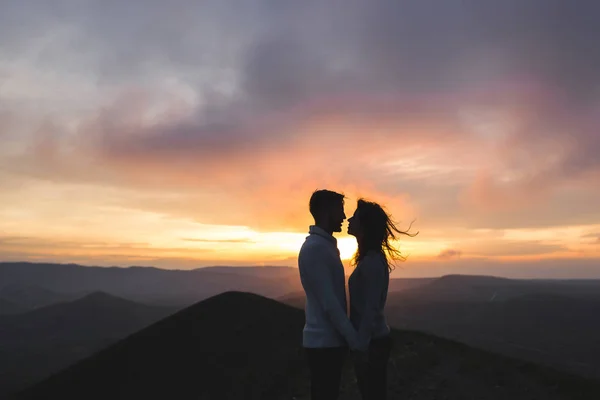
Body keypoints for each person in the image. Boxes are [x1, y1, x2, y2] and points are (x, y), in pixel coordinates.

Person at [347, 199, 418, 400]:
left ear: (365, 225)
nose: (349, 220)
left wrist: (360, 346)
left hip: (372, 343)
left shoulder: (372, 262)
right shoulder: (371, 259)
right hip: (373, 341)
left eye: (355, 217)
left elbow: (370, 309)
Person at [298, 189, 362, 400]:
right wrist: (354, 341)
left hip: (327, 342)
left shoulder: (323, 246)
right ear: (326, 211)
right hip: (324, 343)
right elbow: (330, 303)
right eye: (340, 210)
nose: (343, 217)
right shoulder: (316, 249)